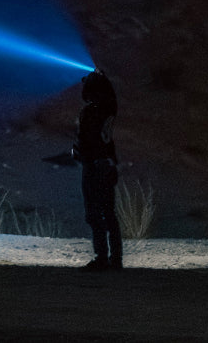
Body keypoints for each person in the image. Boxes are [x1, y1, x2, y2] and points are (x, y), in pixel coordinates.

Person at [72, 70, 122, 270]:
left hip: (96, 165)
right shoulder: (102, 109)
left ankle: (105, 258)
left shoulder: (96, 110)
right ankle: (112, 259)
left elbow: (89, 138)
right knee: (104, 213)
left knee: (98, 213)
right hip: (101, 164)